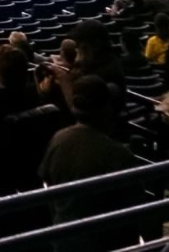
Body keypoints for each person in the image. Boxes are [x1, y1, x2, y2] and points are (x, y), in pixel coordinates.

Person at [39, 75, 142, 238]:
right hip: (104, 241)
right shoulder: (119, 155)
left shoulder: (58, 139)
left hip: (63, 236)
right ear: (106, 108)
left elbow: (46, 182)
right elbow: (138, 210)